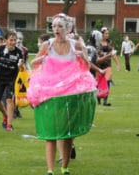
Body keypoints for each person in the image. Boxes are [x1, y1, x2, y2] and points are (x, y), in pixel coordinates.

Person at [28, 13, 97, 175]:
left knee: (68, 133)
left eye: (60, 26)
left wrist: (82, 58)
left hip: (71, 92)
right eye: (53, 26)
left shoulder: (76, 44)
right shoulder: (47, 45)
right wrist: (41, 61)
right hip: (50, 91)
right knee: (50, 134)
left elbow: (87, 66)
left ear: (68, 28)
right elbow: (33, 62)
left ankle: (65, 167)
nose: (56, 29)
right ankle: (50, 170)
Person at [0, 30, 24, 131]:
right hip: (1, 78)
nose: (13, 42)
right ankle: (6, 115)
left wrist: (20, 65)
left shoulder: (19, 52)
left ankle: (9, 125)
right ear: (6, 40)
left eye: (15, 40)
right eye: (11, 40)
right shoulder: (1, 49)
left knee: (9, 100)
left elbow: (21, 64)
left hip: (12, 79)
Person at [96, 27, 121, 106]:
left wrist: (118, 64)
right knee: (99, 82)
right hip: (99, 65)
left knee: (107, 81)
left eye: (108, 33)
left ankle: (105, 101)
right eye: (106, 33)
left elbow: (113, 54)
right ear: (102, 34)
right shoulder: (97, 43)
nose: (107, 35)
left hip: (107, 65)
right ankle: (99, 98)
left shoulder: (110, 42)